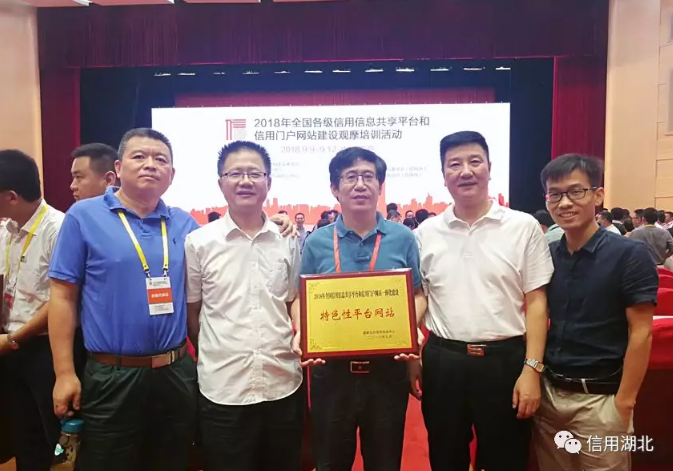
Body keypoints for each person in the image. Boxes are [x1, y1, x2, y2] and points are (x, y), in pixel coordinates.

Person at [48, 128, 295, 471]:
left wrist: (275, 220)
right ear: (118, 168)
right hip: (112, 372)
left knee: (174, 460)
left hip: (175, 372)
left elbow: (235, 238)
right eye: (139, 156)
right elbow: (62, 297)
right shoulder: (84, 216)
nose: (150, 164)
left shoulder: (184, 225)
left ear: (172, 174)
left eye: (160, 159)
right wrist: (64, 373)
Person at [415, 131, 553, 471]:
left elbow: (537, 303)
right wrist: (412, 354)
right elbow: (419, 299)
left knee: (506, 459)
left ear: (489, 168)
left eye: (475, 162)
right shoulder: (425, 233)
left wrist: (532, 369)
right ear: (443, 175)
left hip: (505, 362)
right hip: (444, 362)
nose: (466, 171)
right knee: (446, 458)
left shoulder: (523, 227)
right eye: (454, 164)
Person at [291, 147, 426, 471]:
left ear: (380, 185)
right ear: (335, 188)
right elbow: (300, 298)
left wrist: (408, 326)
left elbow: (418, 293)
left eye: (368, 176)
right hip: (330, 374)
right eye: (350, 177)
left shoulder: (403, 238)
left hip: (387, 372)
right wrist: (302, 332)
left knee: (384, 462)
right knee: (330, 462)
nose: (360, 184)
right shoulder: (317, 242)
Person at [534, 154, 658, 471]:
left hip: (601, 401)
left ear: (598, 195)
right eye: (555, 194)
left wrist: (624, 403)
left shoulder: (630, 254)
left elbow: (641, 332)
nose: (565, 203)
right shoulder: (547, 255)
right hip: (550, 396)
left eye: (576, 191)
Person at [186, 141, 303, 471]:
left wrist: (300, 333)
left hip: (282, 381)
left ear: (269, 182)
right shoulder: (199, 243)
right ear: (220, 182)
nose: (246, 181)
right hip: (223, 387)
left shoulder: (287, 238)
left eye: (255, 173)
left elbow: (292, 299)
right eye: (235, 173)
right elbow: (193, 314)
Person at [0, 150, 65, 471]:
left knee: (52, 438)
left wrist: (15, 338)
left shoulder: (59, 229)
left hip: (44, 349)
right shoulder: (7, 229)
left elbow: (62, 300)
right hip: (10, 346)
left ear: (11, 196)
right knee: (23, 435)